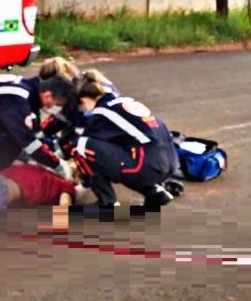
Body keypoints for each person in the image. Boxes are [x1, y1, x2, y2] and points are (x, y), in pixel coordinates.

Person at [69, 74, 177, 210]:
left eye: (81, 105)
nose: (83, 110)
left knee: (79, 146)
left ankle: (107, 203)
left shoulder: (102, 113)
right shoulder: (123, 102)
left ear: (84, 99)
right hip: (170, 162)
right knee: (123, 155)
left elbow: (81, 143)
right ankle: (154, 192)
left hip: (147, 167)